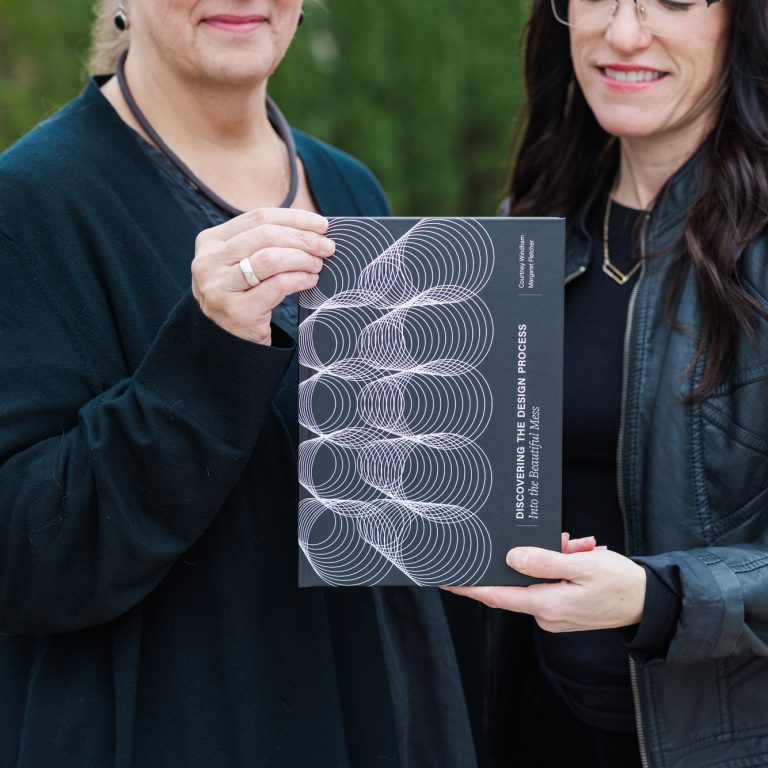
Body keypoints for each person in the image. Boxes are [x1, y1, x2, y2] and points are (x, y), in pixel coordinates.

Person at [0, 2, 479, 766]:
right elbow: (23, 556)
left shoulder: (350, 188)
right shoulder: (30, 202)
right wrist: (209, 349)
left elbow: (389, 513)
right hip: (181, 726)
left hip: (374, 710)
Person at [445, 0, 768, 766]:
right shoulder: (521, 233)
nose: (623, 33)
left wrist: (659, 600)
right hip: (532, 727)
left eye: (674, 1)